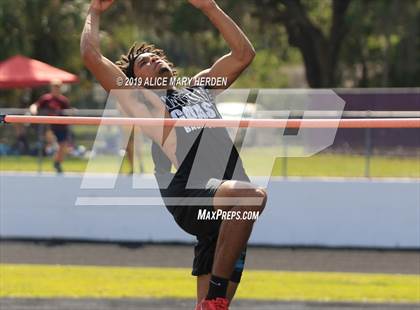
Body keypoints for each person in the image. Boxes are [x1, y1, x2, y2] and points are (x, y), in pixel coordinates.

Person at [81, 1, 267, 309]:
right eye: (144, 62)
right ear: (137, 82)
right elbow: (91, 56)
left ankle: (213, 300)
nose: (153, 58)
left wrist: (209, 7)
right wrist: (95, 12)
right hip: (193, 193)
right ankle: (216, 295)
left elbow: (243, 55)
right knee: (253, 197)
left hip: (226, 197)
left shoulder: (200, 88)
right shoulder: (145, 105)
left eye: (155, 55)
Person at [30, 79, 70, 173]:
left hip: (61, 126)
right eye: (54, 87)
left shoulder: (63, 100)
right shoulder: (46, 98)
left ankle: (57, 163)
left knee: (63, 147)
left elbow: (68, 111)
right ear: (51, 88)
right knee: (51, 140)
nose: (56, 89)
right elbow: (35, 105)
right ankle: (51, 147)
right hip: (49, 126)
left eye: (58, 87)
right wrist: (33, 110)